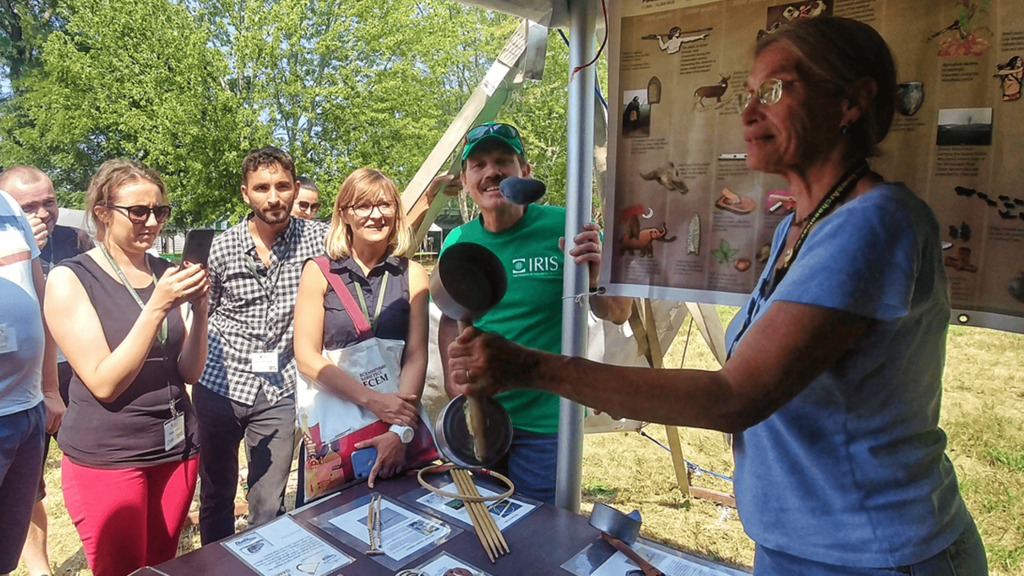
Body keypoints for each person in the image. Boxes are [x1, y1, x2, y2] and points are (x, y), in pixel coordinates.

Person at [447, 18, 988, 575]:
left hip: (876, 550)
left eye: (774, 91)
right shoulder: (796, 228)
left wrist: (531, 367)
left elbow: (733, 398)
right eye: (748, 94)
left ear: (851, 102)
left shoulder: (875, 223)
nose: (748, 112)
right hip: (795, 540)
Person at [437, 121, 631, 504]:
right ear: (465, 179)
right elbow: (448, 315)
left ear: (524, 172)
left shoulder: (569, 226)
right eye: (478, 165)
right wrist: (451, 380)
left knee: (538, 535)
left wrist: (595, 277)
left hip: (548, 422)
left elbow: (620, 312)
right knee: (480, 528)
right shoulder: (458, 241)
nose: (491, 172)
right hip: (482, 417)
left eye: (502, 161)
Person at [43, 159, 209, 576]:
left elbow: (189, 372)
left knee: (162, 564)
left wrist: (201, 312)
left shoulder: (164, 273)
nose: (151, 222)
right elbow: (103, 383)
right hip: (110, 457)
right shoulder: (71, 278)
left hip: (175, 449)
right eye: (138, 211)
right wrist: (157, 306)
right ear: (102, 212)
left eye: (160, 211)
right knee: (121, 570)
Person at [195, 147, 328, 544]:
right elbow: (206, 311)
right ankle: (215, 566)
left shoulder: (319, 240)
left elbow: (381, 227)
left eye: (283, 186)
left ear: (296, 188)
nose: (273, 197)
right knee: (217, 492)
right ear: (245, 193)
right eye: (262, 188)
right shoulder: (220, 247)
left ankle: (263, 564)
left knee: (269, 501)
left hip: (279, 386)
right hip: (221, 382)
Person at [294, 168, 429, 494]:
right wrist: (374, 401)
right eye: (362, 206)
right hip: (335, 437)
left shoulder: (414, 274)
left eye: (384, 205)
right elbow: (307, 358)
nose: (375, 215)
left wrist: (399, 432)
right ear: (344, 213)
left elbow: (416, 356)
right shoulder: (319, 271)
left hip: (396, 432)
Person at [1, 165, 89, 576]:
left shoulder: (76, 239)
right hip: (25, 383)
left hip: (72, 371)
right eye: (29, 206)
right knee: (32, 479)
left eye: (49, 202)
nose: (42, 213)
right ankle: (38, 566)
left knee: (87, 456)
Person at [0, 187, 61, 576]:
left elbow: (42, 299)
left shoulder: (6, 205)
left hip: (27, 408)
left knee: (6, 547)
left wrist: (49, 388)